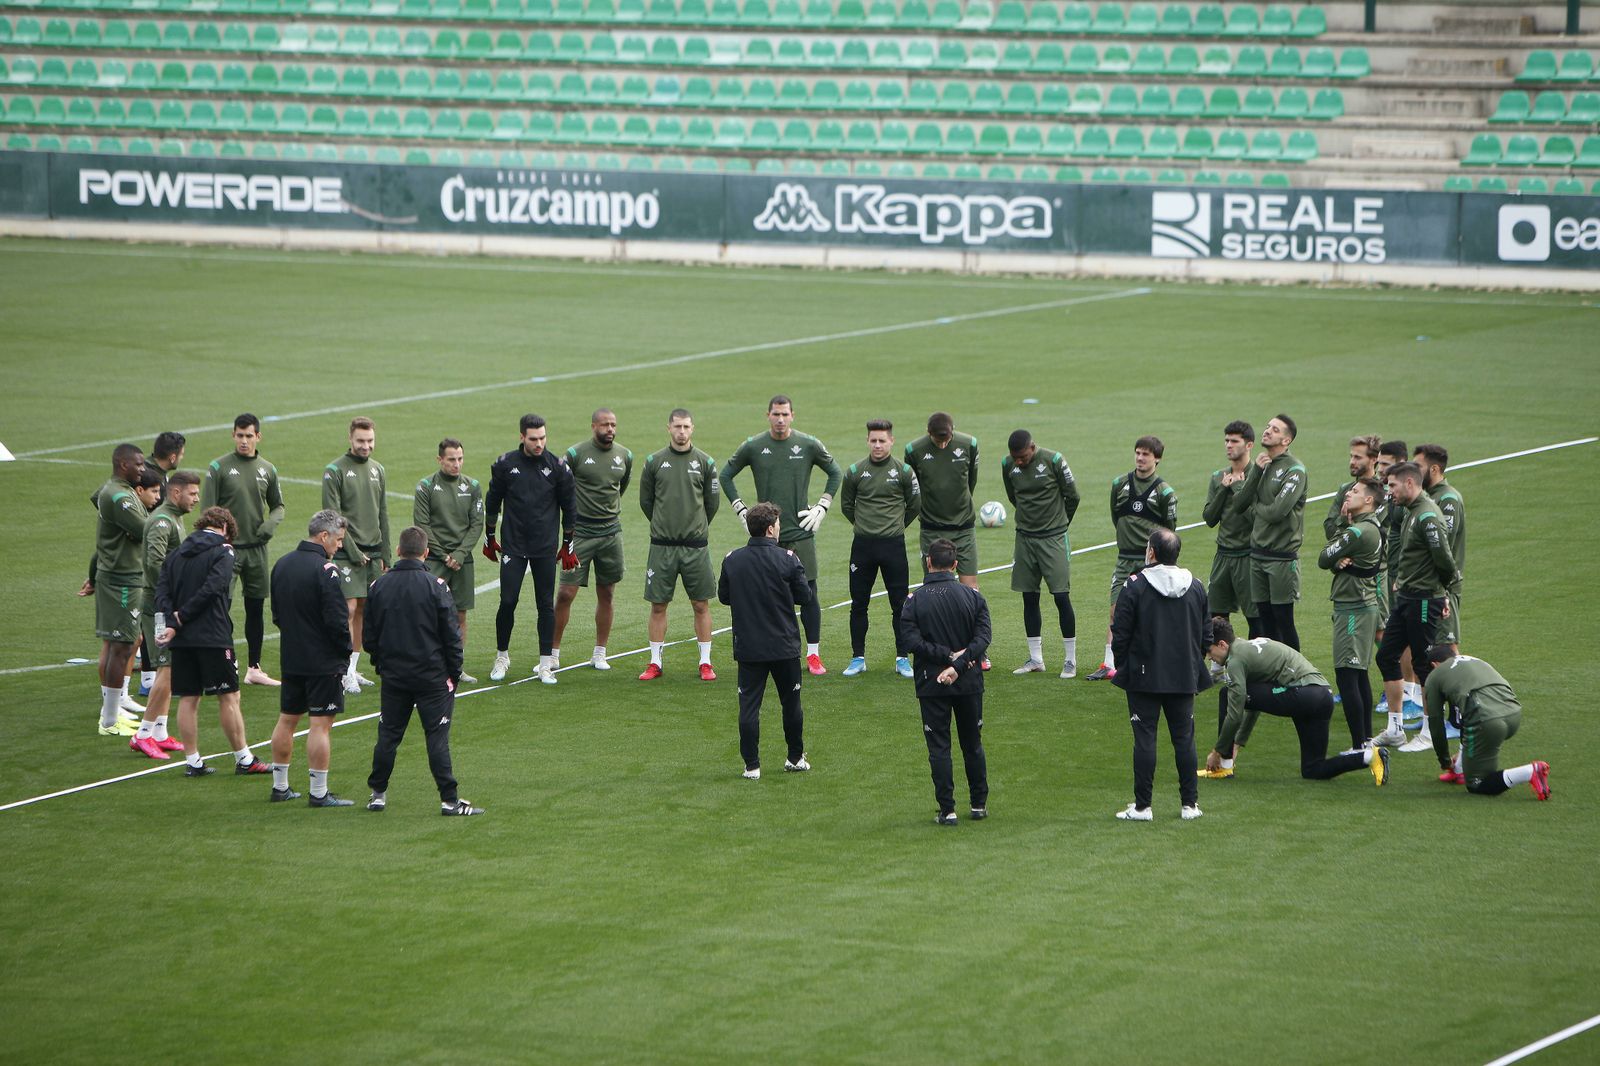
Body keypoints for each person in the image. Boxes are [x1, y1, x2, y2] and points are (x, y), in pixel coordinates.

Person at [719, 395, 841, 675]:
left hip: (799, 531)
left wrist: (822, 505)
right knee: (766, 592)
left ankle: (813, 654)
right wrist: (740, 508)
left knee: (809, 593)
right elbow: (725, 475)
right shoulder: (754, 445)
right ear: (768, 415)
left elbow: (835, 472)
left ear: (792, 415)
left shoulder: (808, 444)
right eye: (776, 414)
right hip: (765, 535)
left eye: (785, 414)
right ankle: (768, 650)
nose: (780, 419)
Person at [364, 527, 481, 816]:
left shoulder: (378, 586)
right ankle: (449, 800)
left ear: (400, 551)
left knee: (388, 735)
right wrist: (453, 673)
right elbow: (452, 638)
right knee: (437, 738)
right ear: (426, 552)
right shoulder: (437, 585)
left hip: (394, 677)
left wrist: (382, 665)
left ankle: (377, 794)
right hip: (431, 678)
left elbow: (369, 638)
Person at [153, 506, 271, 778]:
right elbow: (214, 587)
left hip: (181, 640)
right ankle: (244, 758)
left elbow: (162, 592)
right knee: (229, 696)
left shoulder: (175, 555)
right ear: (226, 528)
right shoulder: (224, 551)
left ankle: (193, 761)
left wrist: (172, 623)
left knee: (188, 698)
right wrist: (181, 618)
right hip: (213, 636)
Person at [1204, 618, 1390, 787]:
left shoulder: (1236, 660)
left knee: (1225, 693)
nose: (1209, 657)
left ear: (1222, 644)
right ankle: (1370, 756)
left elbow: (1236, 714)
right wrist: (1238, 743)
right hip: (1323, 697)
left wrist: (1218, 751)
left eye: (1209, 651)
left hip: (1304, 694)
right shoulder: (1247, 648)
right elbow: (1254, 704)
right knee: (1313, 769)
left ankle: (1223, 767)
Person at [1109, 529, 1212, 821]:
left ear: (1151, 552)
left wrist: (1125, 665)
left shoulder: (1135, 585)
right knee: (1184, 739)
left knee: (1145, 739)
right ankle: (1189, 805)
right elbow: (1206, 635)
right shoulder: (1195, 586)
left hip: (1144, 677)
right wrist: (1193, 663)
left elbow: (1121, 632)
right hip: (1183, 676)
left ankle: (1143, 807)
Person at [898, 538, 990, 825]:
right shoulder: (973, 597)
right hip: (969, 682)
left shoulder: (914, 601)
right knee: (972, 744)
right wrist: (959, 664)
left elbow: (911, 641)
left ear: (928, 562)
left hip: (931, 683)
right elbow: (983, 639)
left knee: (939, 747)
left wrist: (945, 658)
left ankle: (947, 810)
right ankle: (978, 805)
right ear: (955, 565)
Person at [268, 510, 356, 807]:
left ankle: (280, 787)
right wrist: (345, 652)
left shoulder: (281, 565)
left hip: (291, 657)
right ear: (324, 536)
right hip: (322, 661)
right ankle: (318, 793)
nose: (340, 546)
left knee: (287, 720)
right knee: (320, 724)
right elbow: (336, 621)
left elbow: (277, 615)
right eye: (339, 540)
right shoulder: (326, 570)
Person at [717, 503, 812, 781]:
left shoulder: (732, 560)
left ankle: (751, 766)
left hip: (749, 647)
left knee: (748, 707)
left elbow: (724, 597)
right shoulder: (788, 559)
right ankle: (795, 758)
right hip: (784, 646)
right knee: (791, 704)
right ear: (770, 529)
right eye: (779, 524)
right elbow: (804, 597)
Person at [1373, 461, 1461, 749]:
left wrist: (1443, 592)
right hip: (1408, 597)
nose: (1390, 492)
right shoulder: (1412, 512)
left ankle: (1429, 731)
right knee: (1386, 656)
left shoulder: (1427, 516)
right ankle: (1395, 729)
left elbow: (1445, 561)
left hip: (1425, 599)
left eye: (1393, 486)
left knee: (1425, 666)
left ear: (1410, 483)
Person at [484, 414, 576, 686]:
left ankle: (546, 664)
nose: (539, 444)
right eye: (534, 439)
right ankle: (502, 656)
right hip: (513, 544)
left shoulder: (558, 467)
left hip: (544, 547)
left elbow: (570, 507)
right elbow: (493, 500)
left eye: (543, 438)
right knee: (508, 600)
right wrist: (490, 536)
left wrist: (567, 543)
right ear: (522, 437)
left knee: (545, 605)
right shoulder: (505, 464)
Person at [200, 413, 286, 688]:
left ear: (258, 437)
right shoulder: (219, 467)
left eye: (249, 436)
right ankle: (221, 663)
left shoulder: (267, 469)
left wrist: (271, 524)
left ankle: (254, 668)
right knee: (220, 605)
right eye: (240, 435)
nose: (244, 441)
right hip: (227, 550)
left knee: (256, 606)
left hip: (257, 549)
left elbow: (278, 505)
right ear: (233, 435)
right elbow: (207, 511)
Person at [637, 408, 721, 681]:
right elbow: (646, 502)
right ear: (668, 428)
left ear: (693, 428)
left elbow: (712, 504)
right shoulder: (654, 462)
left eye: (686, 427)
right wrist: (665, 524)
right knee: (658, 605)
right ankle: (654, 662)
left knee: (701, 604)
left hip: (695, 546)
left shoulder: (706, 462)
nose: (681, 432)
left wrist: (693, 526)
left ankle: (705, 662)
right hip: (662, 546)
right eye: (677, 427)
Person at [1089, 436, 1178, 682]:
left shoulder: (1164, 492)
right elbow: (1116, 517)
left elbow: (1169, 531)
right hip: (1124, 559)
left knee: (1153, 613)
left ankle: (1155, 662)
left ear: (1157, 459)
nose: (1140, 458)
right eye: (1138, 453)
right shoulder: (1119, 484)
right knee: (1116, 610)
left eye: (1146, 454)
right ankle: (1109, 664)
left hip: (1151, 563)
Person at [840, 419, 921, 679]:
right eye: (873, 440)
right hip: (862, 546)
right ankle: (858, 658)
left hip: (893, 545)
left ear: (891, 441)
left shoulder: (904, 471)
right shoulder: (854, 471)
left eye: (882, 441)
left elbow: (914, 505)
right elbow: (847, 506)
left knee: (900, 605)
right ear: (867, 441)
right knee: (858, 603)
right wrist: (865, 526)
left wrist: (895, 526)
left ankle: (902, 658)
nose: (877, 445)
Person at [129, 469, 201, 760]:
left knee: (169, 668)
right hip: (159, 606)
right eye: (192, 493)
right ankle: (143, 734)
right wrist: (173, 599)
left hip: (165, 603)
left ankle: (159, 731)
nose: (196, 499)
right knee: (167, 668)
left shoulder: (173, 518)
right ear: (176, 493)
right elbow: (154, 563)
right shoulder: (161, 521)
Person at [554, 409, 632, 672]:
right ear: (593, 426)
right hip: (580, 534)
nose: (610, 429)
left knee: (607, 593)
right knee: (565, 593)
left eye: (614, 424)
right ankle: (552, 654)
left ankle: (600, 652)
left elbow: (621, 487)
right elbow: (560, 485)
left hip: (611, 533)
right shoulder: (575, 454)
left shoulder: (625, 455)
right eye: (605, 424)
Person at [1000, 429, 1080, 678]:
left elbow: (1073, 496)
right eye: (1016, 458)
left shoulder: (1054, 460)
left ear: (1032, 448)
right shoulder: (1007, 464)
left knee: (1060, 596)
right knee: (1029, 597)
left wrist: (1059, 525)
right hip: (1025, 538)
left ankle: (1070, 660)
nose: (1019, 462)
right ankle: (1036, 659)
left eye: (1023, 457)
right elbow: (1014, 496)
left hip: (1053, 537)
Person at [1422, 645, 1549, 800]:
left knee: (1477, 784)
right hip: (1514, 714)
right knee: (1471, 719)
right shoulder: (1475, 660)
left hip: (1487, 723)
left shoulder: (1435, 676)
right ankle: (1462, 766)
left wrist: (1445, 761)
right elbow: (1465, 714)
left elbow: (1436, 725)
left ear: (1434, 665)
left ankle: (1530, 771)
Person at [322, 416, 391, 694]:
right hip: (346, 553)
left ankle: (351, 668)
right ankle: (341, 670)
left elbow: (382, 512)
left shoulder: (378, 469)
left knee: (364, 610)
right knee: (347, 609)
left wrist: (385, 553)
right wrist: (351, 550)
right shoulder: (334, 470)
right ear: (350, 439)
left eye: (370, 441)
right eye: (361, 441)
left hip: (373, 553)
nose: (366, 446)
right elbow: (333, 516)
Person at [1317, 476, 1385, 751]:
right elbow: (1336, 561)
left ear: (1369, 500)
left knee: (1347, 675)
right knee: (1358, 674)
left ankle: (1360, 745)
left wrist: (1336, 555)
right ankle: (1366, 741)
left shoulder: (1358, 532)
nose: (1348, 494)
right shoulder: (1366, 529)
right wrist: (1338, 561)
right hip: (1361, 606)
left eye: (1355, 491)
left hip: (1354, 609)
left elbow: (1324, 558)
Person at [1406, 443, 1466, 755]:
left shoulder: (1448, 500)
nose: (1412, 471)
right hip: (1426, 589)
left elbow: (1441, 549)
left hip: (1441, 590)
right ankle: (1444, 716)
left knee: (1446, 647)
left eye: (1418, 466)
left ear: (1433, 469)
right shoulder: (1428, 500)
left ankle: (1457, 715)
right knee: (1431, 649)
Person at [1229, 413, 1307, 649]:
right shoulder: (1262, 466)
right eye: (1268, 426)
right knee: (1265, 621)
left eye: (1275, 429)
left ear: (1286, 440)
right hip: (1258, 556)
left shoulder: (1295, 470)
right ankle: (1272, 674)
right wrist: (1257, 473)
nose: (1267, 430)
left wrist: (1256, 507)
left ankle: (1296, 674)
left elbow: (1276, 512)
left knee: (1284, 620)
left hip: (1281, 558)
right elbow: (1239, 504)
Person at [89, 443, 150, 737]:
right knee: (121, 646)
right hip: (120, 579)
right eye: (138, 464)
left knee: (124, 644)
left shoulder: (115, 491)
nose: (143, 469)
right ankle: (109, 720)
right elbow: (146, 530)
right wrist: (131, 528)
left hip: (125, 576)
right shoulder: (119, 496)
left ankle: (112, 713)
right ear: (123, 465)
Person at [413, 438, 484, 684]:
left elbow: (477, 524)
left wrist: (460, 554)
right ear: (440, 459)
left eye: (460, 459)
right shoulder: (425, 487)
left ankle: (456, 667)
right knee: (431, 614)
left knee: (460, 614)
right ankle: (431, 666)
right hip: (435, 559)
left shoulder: (473, 486)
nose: (457, 464)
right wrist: (444, 555)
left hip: (463, 561)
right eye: (451, 459)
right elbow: (422, 524)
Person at [135, 431, 186, 695]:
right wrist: (135, 524)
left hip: (155, 559)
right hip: (148, 570)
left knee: (149, 625)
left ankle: (149, 679)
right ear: (174, 455)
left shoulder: (153, 472)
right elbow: (102, 497)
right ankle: (149, 680)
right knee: (150, 622)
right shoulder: (144, 472)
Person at [1373, 440, 1421, 717]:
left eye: (1386, 465)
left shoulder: (1408, 503)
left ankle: (1411, 693)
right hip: (1394, 573)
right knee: (1395, 634)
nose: (1381, 471)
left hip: (1405, 578)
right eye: (1378, 464)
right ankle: (1403, 690)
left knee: (1405, 635)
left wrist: (1403, 575)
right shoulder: (1392, 497)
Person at [1203, 421, 1259, 640]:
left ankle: (1257, 665)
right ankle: (1218, 669)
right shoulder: (1218, 477)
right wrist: (1224, 489)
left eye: (1234, 441)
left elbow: (1255, 519)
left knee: (1255, 616)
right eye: (1226, 440)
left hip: (1248, 555)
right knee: (1216, 614)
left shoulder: (1258, 475)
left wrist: (1237, 487)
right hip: (1223, 555)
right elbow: (1209, 518)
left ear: (1249, 445)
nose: (1228, 445)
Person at [1323, 435, 1381, 540]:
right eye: (1351, 456)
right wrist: (1343, 520)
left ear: (1374, 460)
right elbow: (1329, 530)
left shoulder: (1382, 491)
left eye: (1358, 457)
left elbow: (1375, 530)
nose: (1352, 462)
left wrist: (1345, 524)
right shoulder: (1345, 489)